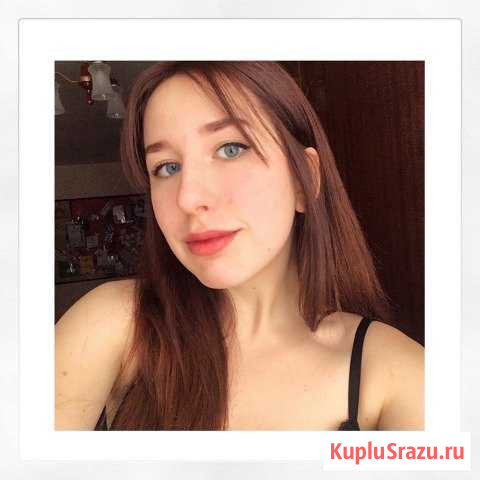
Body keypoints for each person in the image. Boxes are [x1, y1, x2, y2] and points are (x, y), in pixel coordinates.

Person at [55, 61, 424, 431]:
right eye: (166, 167)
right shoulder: (116, 324)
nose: (188, 198)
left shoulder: (395, 375)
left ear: (304, 179)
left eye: (231, 148)